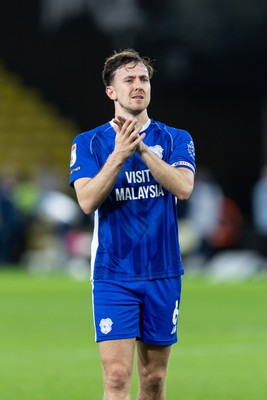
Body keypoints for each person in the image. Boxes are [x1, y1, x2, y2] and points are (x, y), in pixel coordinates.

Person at [69, 49, 196, 400]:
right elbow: (87, 200)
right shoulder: (89, 143)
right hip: (113, 274)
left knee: (153, 378)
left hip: (162, 271)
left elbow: (184, 188)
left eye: (143, 79)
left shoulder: (175, 139)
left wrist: (142, 151)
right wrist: (120, 154)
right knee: (116, 377)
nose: (138, 85)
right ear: (111, 91)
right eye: (129, 80)